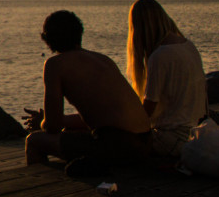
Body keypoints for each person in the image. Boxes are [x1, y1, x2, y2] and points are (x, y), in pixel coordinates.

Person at [23, 10, 153, 178]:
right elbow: (107, 117)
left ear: (47, 39)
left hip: (118, 146)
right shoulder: (103, 59)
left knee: (34, 141)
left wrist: (42, 122)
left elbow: (53, 126)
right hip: (145, 143)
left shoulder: (55, 65)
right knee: (73, 135)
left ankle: (40, 189)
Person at [124, 0, 207, 158]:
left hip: (171, 139)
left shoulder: (160, 56)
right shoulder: (188, 46)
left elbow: (148, 109)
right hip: (195, 135)